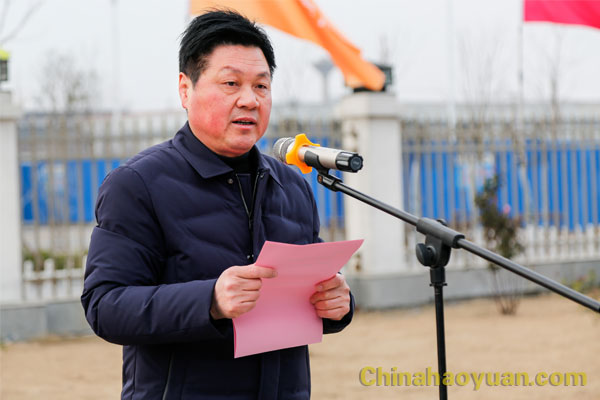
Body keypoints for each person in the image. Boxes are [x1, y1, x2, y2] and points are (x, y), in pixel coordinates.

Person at [81, 10, 354, 400]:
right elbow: (105, 305)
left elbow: (309, 291)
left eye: (261, 86)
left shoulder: (292, 185)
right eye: (231, 83)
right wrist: (209, 300)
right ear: (185, 89)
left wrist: (338, 303)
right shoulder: (138, 184)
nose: (249, 100)